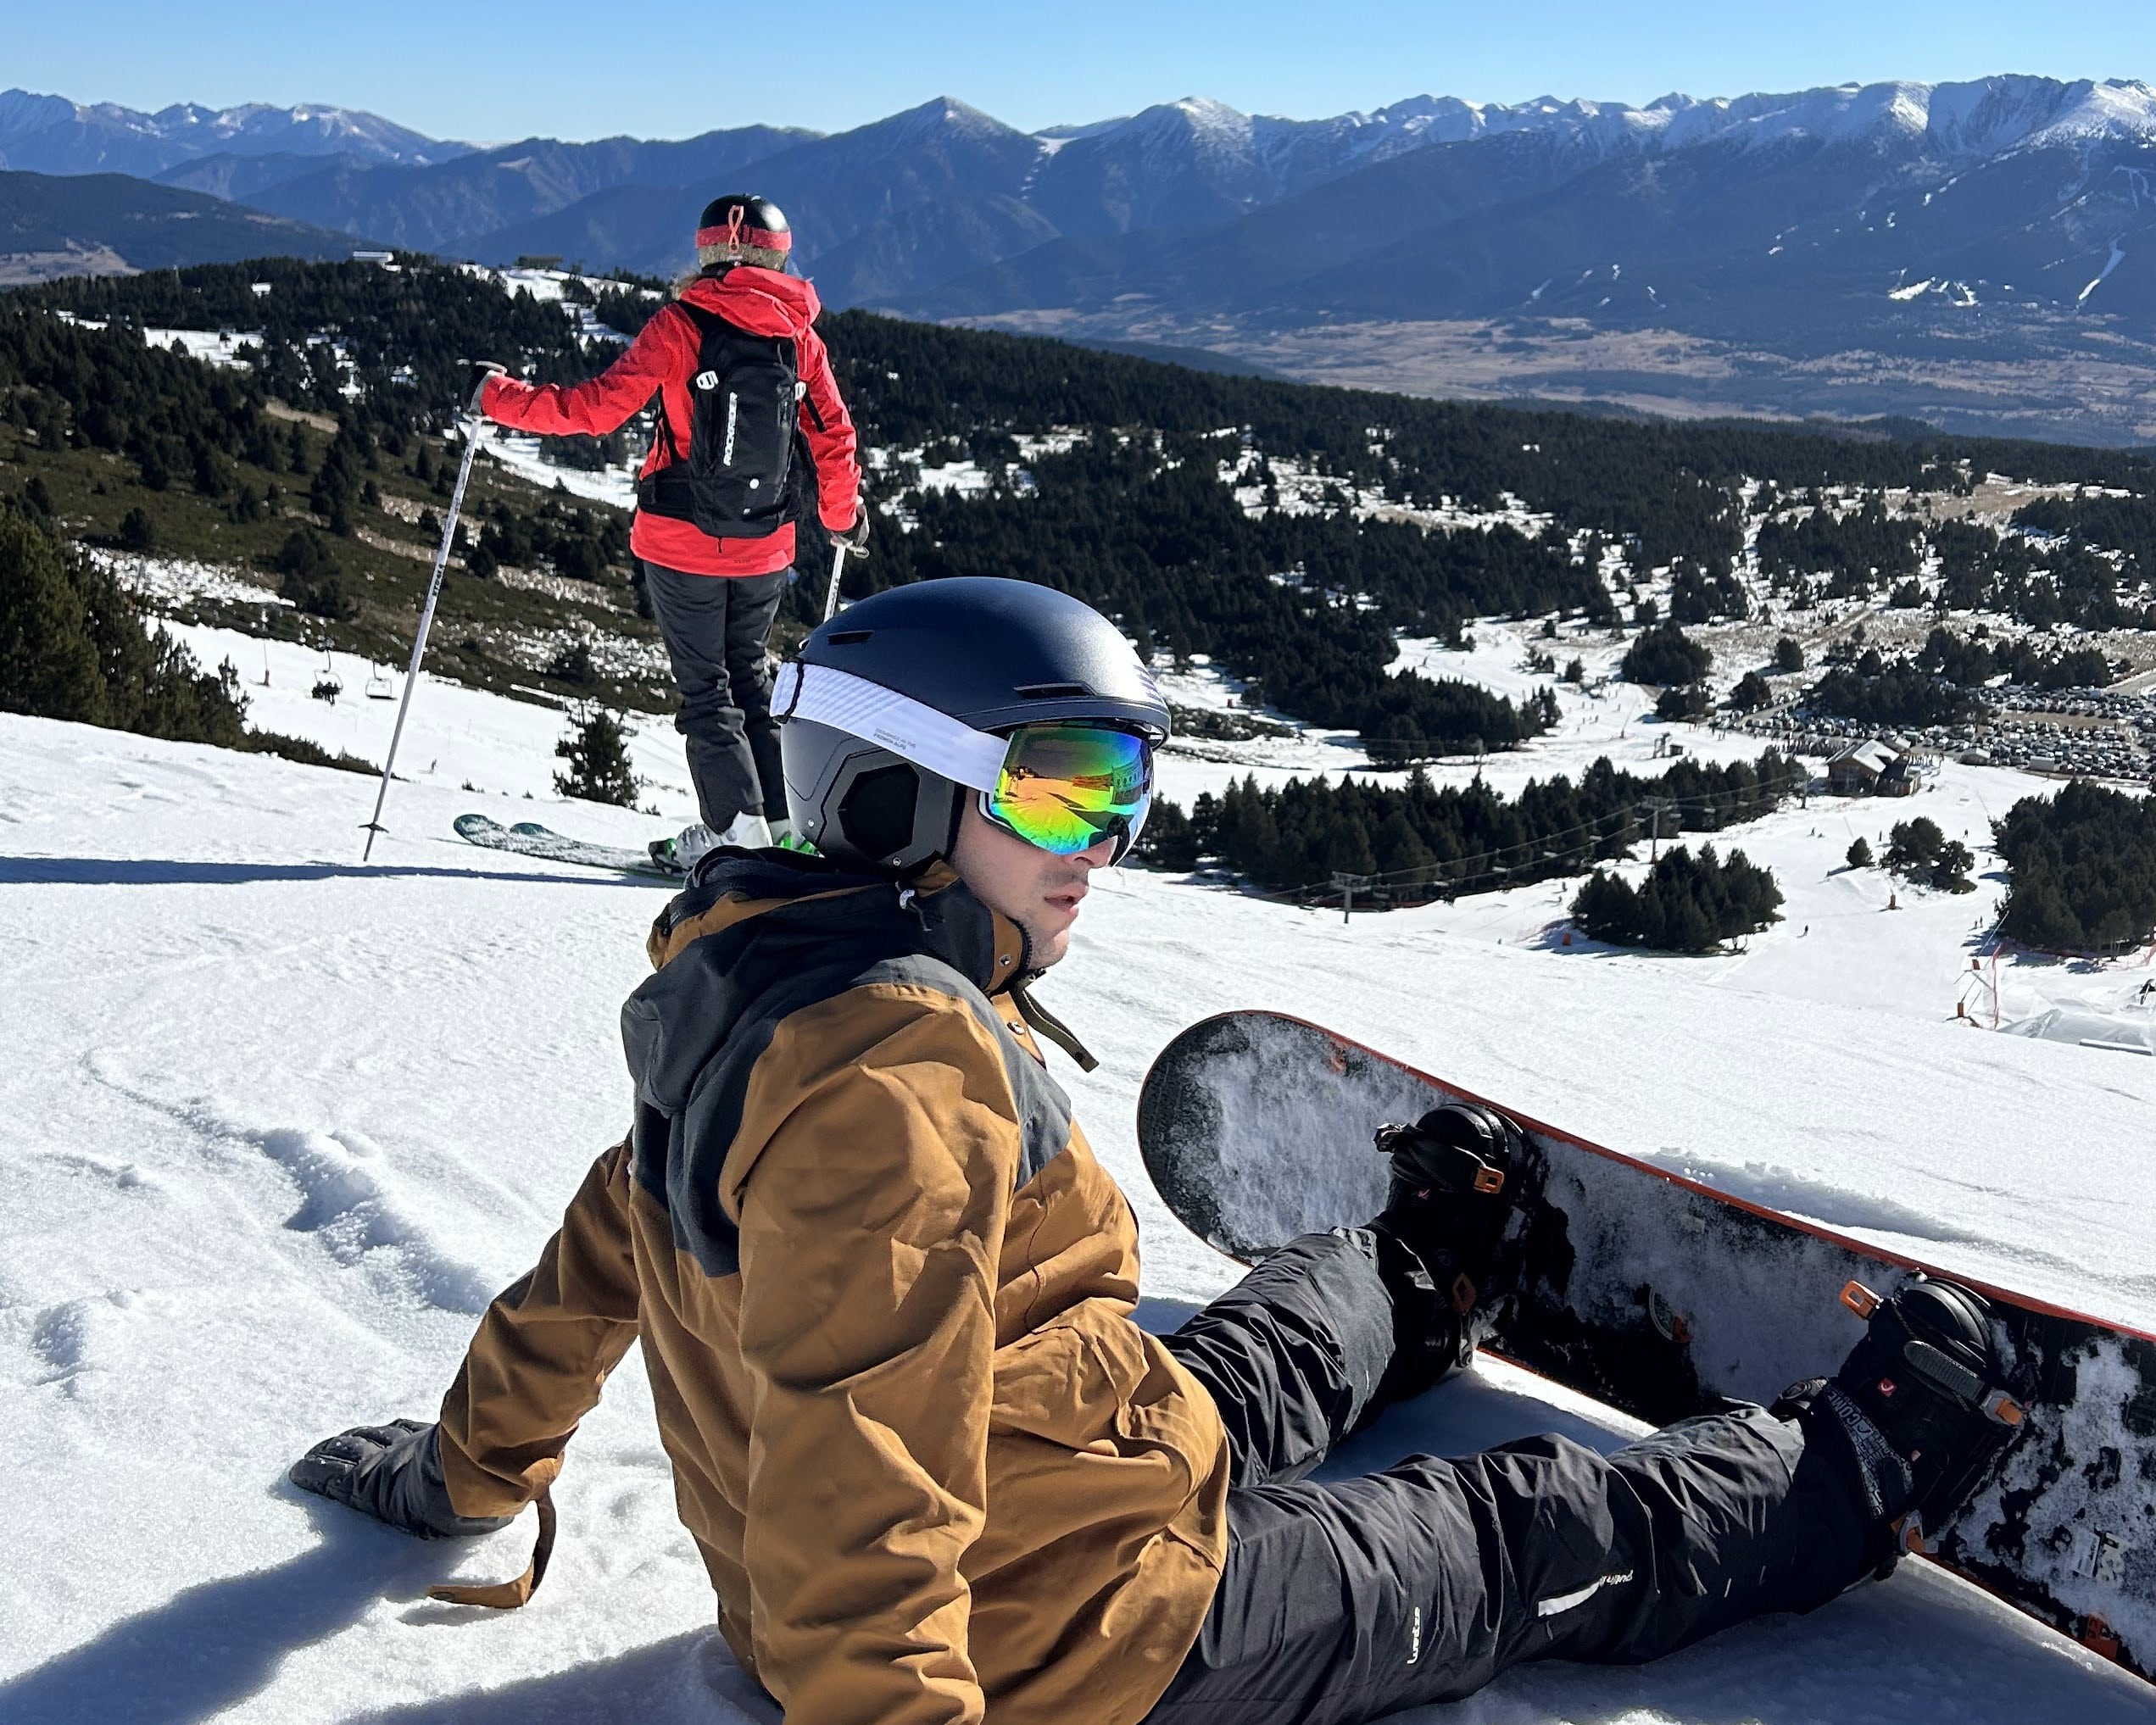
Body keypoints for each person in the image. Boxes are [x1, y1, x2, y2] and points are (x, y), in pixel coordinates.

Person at [292, 577, 2019, 1725]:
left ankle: (1427, 1270)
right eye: (1052, 789)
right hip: (1084, 1639)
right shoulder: (891, 1087)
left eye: (1121, 789)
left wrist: (460, 1470)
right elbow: (853, 1553)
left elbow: (591, 1271)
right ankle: (1850, 1477)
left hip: (1070, 1451)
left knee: (1260, 1346)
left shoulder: (753, 987)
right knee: (1518, 1530)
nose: (1099, 843)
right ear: (898, 796)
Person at [475, 193, 863, 871]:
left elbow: (594, 410)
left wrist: (495, 398)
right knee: (751, 678)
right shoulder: (800, 337)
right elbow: (832, 436)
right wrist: (840, 518)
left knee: (706, 688)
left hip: (681, 539)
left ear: (706, 251)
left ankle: (733, 830)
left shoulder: (681, 324)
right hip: (766, 543)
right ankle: (781, 824)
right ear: (780, 256)